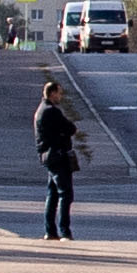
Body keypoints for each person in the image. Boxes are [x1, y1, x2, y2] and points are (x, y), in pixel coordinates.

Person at [33, 76, 85, 240]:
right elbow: (70, 128)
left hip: (48, 156)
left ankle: (50, 231)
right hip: (57, 155)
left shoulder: (41, 110)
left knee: (53, 194)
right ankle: (64, 231)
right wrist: (65, 132)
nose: (60, 97)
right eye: (59, 93)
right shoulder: (51, 111)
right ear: (52, 93)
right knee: (65, 194)